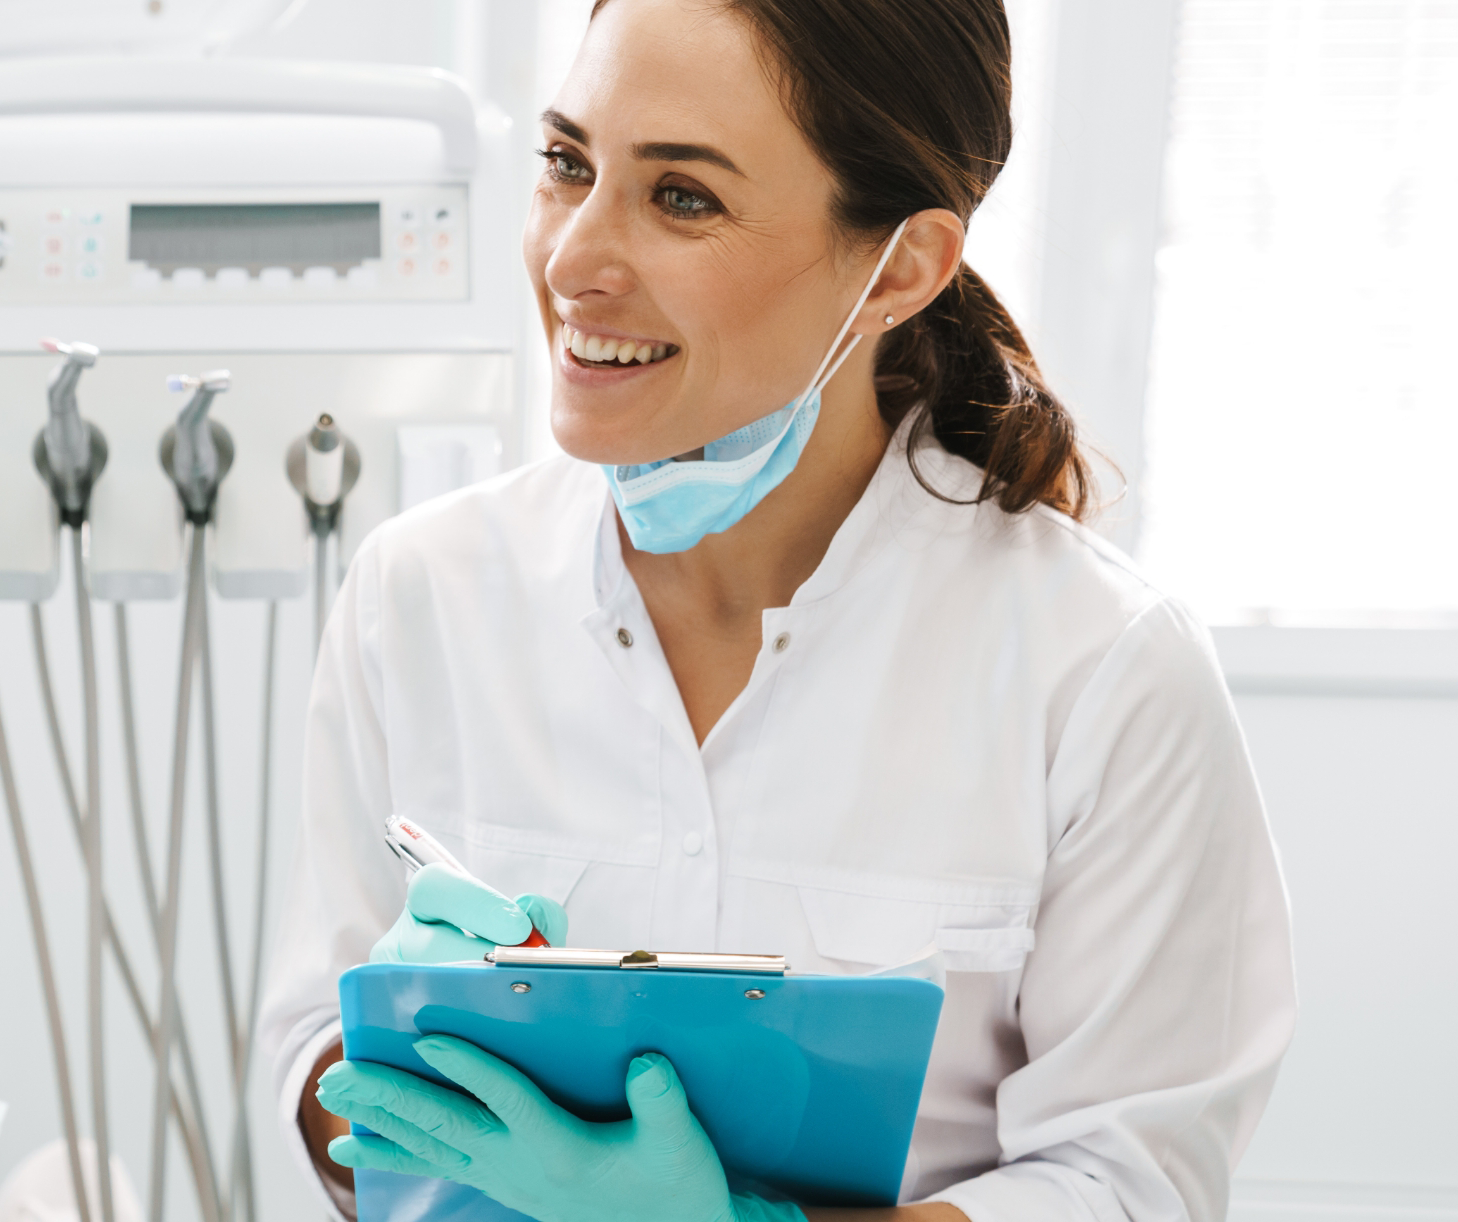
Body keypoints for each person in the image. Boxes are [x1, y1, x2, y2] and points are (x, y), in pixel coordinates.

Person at [253, 1, 1294, 1220]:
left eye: (682, 196)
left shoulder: (1101, 669)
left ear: (900, 266)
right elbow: (305, 1065)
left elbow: (1130, 1180)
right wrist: (396, 1061)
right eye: (566, 166)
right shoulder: (420, 594)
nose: (571, 259)